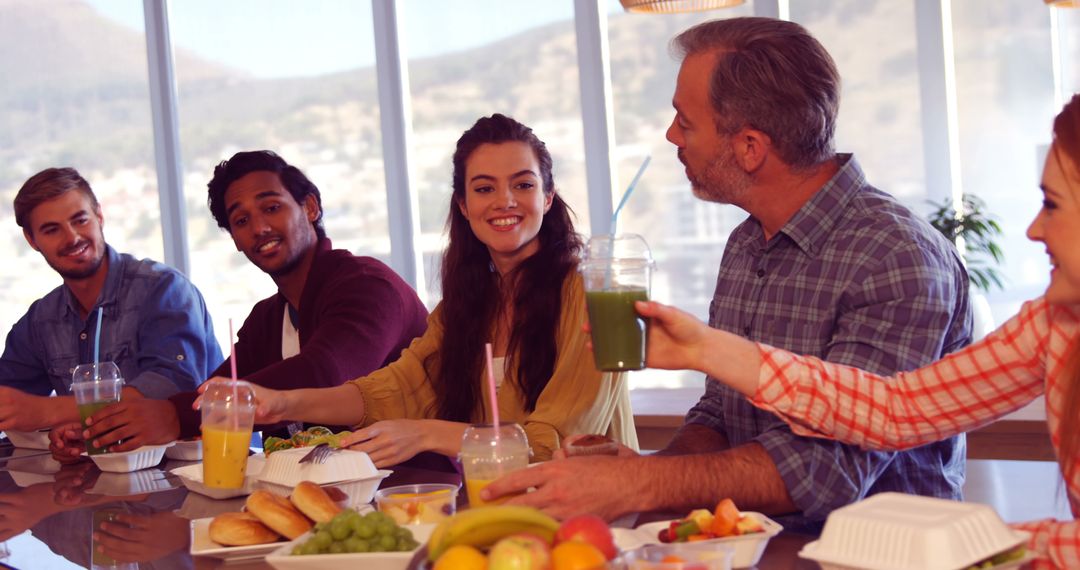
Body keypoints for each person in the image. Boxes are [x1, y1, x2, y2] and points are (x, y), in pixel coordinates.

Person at [483, 17, 971, 526]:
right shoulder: (746, 242)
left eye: (685, 122)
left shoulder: (896, 258)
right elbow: (721, 412)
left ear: (750, 147)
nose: (672, 135)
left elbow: (827, 472)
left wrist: (640, 485)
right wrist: (652, 468)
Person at [632, 93, 1080, 570]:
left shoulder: (898, 250)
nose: (1033, 230)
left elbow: (832, 471)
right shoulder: (1054, 325)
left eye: (1052, 205)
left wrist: (961, 546)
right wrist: (707, 349)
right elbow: (896, 409)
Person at [233, 114, 637, 465]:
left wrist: (426, 434)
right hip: (501, 515)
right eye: (484, 189)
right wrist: (282, 403)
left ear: (548, 197)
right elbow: (392, 391)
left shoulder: (597, 297)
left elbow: (557, 442)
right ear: (462, 204)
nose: (504, 201)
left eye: (523, 185)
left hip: (600, 521)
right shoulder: (466, 304)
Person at [50, 151, 428, 458]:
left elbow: (325, 374)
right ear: (235, 240)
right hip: (323, 499)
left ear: (310, 208)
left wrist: (174, 415)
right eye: (242, 219)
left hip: (417, 489)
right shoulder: (267, 318)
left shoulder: (368, 286)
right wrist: (103, 430)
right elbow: (214, 390)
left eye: (271, 207)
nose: (259, 227)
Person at [0, 167, 221, 432]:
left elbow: (170, 389)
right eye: (51, 230)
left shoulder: (163, 289)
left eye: (80, 220)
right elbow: (9, 399)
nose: (72, 237)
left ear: (99, 216)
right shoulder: (40, 320)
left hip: (197, 467)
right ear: (32, 240)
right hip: (97, 470)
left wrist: (50, 412)